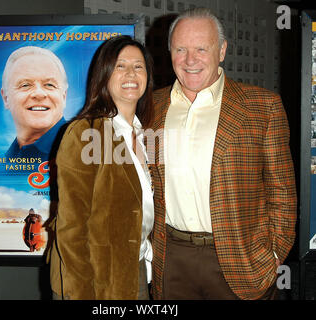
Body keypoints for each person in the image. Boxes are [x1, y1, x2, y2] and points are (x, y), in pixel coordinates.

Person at [149, 7, 297, 300]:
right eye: (181, 49)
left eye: (201, 49)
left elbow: (283, 192)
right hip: (171, 258)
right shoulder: (151, 107)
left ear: (222, 51)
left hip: (241, 261)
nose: (190, 60)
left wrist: (275, 254)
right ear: (170, 52)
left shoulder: (262, 107)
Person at [49, 35, 154, 300]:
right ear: (104, 74)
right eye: (120, 65)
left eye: (138, 66)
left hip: (136, 269)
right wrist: (83, 293)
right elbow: (71, 229)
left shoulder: (145, 135)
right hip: (96, 280)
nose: (131, 73)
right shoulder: (85, 132)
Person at [1, 46, 68, 160]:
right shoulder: (1, 161)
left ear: (64, 96)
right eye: (25, 85)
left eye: (49, 85)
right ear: (6, 98)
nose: (39, 94)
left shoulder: (85, 154)